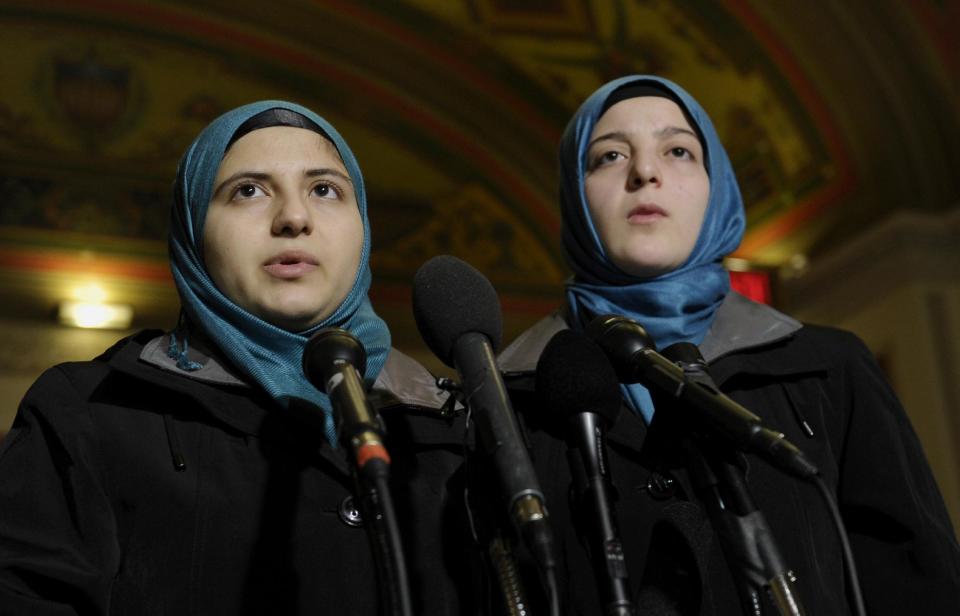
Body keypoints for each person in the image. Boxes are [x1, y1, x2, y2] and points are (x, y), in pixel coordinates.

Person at [497, 76, 960, 614]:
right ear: (573, 195)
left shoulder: (829, 367)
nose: (645, 173)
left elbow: (916, 583)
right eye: (609, 156)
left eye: (677, 151)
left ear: (716, 186)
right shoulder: (507, 398)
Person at [0, 101, 473, 614]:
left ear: (362, 228)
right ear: (194, 229)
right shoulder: (91, 411)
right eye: (248, 191)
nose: (294, 217)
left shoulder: (451, 428)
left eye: (324, 190)